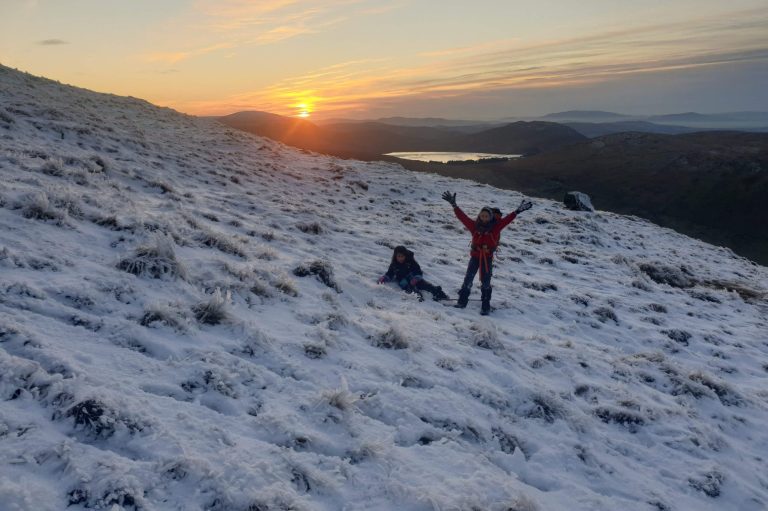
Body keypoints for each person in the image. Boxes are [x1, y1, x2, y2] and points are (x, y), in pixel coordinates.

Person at [442, 191, 532, 315]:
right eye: (482, 215)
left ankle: (485, 306)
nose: (484, 218)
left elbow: (506, 220)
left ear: (490, 217)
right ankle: (462, 302)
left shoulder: (495, 228)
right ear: (479, 216)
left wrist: (517, 211)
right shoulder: (474, 226)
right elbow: (462, 217)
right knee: (468, 279)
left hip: (487, 258)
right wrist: (454, 205)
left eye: (486, 216)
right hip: (474, 257)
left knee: (485, 282)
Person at [377, 246, 449, 301]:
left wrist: (416, 277)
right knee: (412, 292)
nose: (401, 258)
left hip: (414, 279)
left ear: (405, 256)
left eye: (402, 256)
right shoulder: (394, 265)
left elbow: (418, 270)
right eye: (399, 256)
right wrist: (385, 278)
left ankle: (441, 296)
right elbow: (390, 273)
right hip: (403, 282)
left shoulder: (410, 262)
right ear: (395, 256)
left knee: (428, 286)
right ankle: (420, 299)